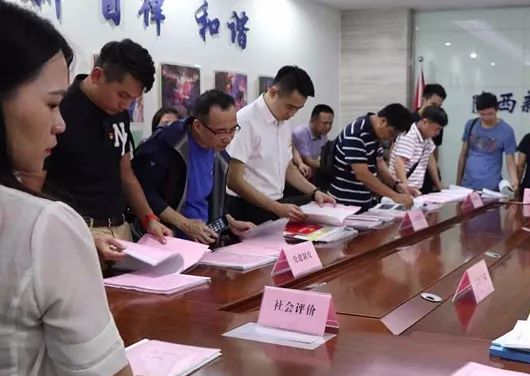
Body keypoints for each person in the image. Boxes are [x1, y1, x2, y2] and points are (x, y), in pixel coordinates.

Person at [0, 0, 161, 376]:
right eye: (51, 104)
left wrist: (148, 218)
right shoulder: (40, 224)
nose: (59, 124)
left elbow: (125, 174)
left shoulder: (117, 123)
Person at [44, 39, 171, 263]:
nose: (126, 105)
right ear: (97, 76)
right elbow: (38, 179)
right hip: (80, 229)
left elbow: (126, 173)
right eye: (122, 95)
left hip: (120, 229)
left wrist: (149, 218)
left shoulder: (119, 113)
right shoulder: (61, 110)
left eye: (133, 99)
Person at [133, 90, 255, 244]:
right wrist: (184, 224)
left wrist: (230, 222)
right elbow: (143, 192)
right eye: (221, 131)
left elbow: (208, 200)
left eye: (233, 129)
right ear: (198, 126)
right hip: (166, 240)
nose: (228, 138)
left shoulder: (220, 155)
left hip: (202, 242)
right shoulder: (168, 144)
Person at [225, 65, 336, 224]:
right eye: (290, 107)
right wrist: (277, 208)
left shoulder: (283, 121)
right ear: (273, 92)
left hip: (274, 205)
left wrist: (314, 192)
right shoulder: (246, 120)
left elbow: (287, 167)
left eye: (297, 109)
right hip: (246, 208)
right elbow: (234, 180)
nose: (292, 114)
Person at [328, 103, 414, 209]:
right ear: (383, 121)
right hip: (344, 203)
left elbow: (380, 163)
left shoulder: (375, 134)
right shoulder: (356, 133)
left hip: (365, 201)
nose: (392, 138)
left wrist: (396, 184)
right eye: (392, 133)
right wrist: (394, 195)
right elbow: (362, 174)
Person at [456, 92, 518, 191]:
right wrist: (458, 182)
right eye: (482, 114)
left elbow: (510, 161)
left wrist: (514, 181)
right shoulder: (471, 125)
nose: (486, 118)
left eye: (490, 114)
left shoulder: (506, 130)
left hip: (491, 187)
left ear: (497, 109)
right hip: (467, 185)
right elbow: (463, 154)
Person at [389, 106, 447, 195]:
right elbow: (398, 162)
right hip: (399, 190)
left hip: (414, 190)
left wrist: (439, 187)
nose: (438, 133)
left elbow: (430, 161)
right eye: (437, 129)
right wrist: (406, 190)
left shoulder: (427, 138)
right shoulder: (409, 135)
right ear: (425, 122)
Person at [413, 84, 447, 193]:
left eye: (439, 106)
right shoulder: (408, 121)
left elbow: (434, 151)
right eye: (433, 104)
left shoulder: (438, 122)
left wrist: (436, 180)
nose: (435, 109)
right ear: (423, 100)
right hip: (409, 179)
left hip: (427, 177)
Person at [291, 103, 334, 180]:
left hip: (309, 172)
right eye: (324, 123)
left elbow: (321, 159)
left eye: (330, 123)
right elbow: (309, 161)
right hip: (295, 173)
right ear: (313, 120)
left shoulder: (323, 134)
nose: (328, 127)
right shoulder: (300, 133)